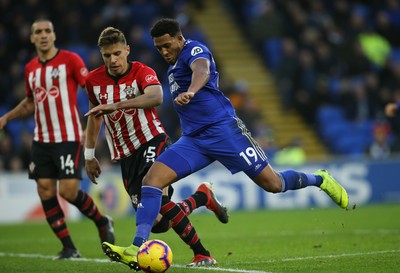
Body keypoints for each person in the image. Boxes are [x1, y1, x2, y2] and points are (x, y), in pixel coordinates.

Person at [96, 18, 349, 269]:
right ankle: (136, 247)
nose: (164, 52)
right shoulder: (172, 72)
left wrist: (193, 91)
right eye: (158, 48)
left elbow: (202, 70)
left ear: (178, 39)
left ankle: (320, 179)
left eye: (167, 45)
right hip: (194, 140)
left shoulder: (194, 50)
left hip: (225, 132)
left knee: (274, 184)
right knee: (151, 181)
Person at [84, 26, 228, 268]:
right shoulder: (93, 81)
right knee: (159, 222)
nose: (113, 60)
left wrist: (117, 105)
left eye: (117, 53)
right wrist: (89, 155)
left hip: (152, 140)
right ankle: (201, 197)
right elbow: (94, 116)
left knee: (156, 197)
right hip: (126, 154)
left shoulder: (142, 71)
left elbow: (157, 97)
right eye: (107, 55)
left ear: (127, 50)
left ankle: (202, 253)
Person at [0, 19, 114, 259]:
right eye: (37, 32)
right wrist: (7, 117)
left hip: (68, 136)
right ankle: (69, 247)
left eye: (47, 31)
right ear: (32, 38)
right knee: (45, 190)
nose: (43, 35)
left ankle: (102, 220)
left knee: (69, 191)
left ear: (54, 35)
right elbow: (31, 102)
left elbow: (90, 89)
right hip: (41, 139)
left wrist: (91, 125)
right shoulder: (30, 68)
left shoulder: (71, 60)